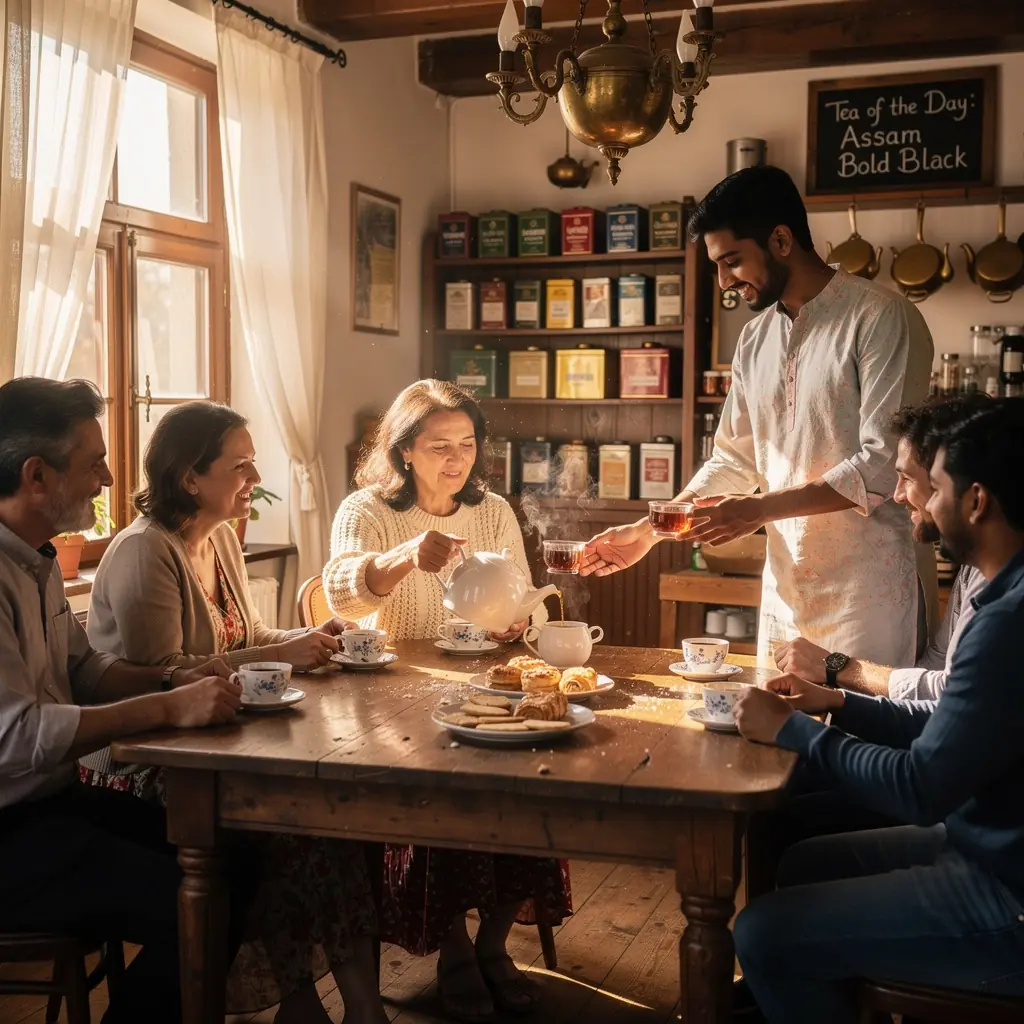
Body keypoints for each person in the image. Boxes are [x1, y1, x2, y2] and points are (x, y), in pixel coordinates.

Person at [85, 401, 386, 1024]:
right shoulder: (145, 551)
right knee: (289, 833)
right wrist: (291, 657)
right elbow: (168, 676)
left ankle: (356, 1009)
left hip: (221, 743)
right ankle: (304, 1005)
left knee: (335, 829)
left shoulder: (218, 535)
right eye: (240, 466)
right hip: (142, 764)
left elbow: (240, 637)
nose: (254, 479)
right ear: (189, 476)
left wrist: (312, 636)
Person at [732, 398, 1024, 1024]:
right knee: (802, 861)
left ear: (976, 502)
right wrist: (838, 702)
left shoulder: (1007, 623)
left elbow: (920, 787)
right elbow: (950, 731)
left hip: (1005, 897)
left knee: (759, 933)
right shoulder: (1003, 591)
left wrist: (799, 733)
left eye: (931, 485)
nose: (908, 499)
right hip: (982, 849)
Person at [581, 165, 934, 667]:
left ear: (782, 239)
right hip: (787, 590)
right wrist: (646, 531)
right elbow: (733, 460)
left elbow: (881, 465)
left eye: (732, 261)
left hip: (871, 593)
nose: (725, 282)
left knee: (861, 738)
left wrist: (758, 510)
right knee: (776, 740)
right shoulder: (754, 339)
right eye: (717, 267)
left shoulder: (880, 317)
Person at [0, 377, 254, 1024]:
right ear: (35, 476)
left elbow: (86, 670)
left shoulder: (34, 561)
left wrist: (177, 681)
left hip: (52, 807)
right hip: (12, 835)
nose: (109, 478)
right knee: (199, 899)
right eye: (92, 464)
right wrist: (170, 709)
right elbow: (19, 736)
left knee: (238, 855)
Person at [322, 379, 569, 1022]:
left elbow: (517, 600)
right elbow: (342, 599)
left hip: (479, 689)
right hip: (389, 699)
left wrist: (517, 623)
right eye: (439, 447)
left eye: (466, 444)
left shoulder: (492, 511)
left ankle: (491, 943)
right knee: (443, 796)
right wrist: (405, 556)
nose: (456, 460)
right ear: (405, 451)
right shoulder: (366, 509)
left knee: (539, 787)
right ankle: (455, 945)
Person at [774, 393, 990, 699]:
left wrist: (836, 668)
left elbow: (948, 694)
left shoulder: (1004, 585)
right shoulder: (973, 566)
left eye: (907, 479)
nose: (898, 495)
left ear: (973, 495)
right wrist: (833, 700)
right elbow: (935, 670)